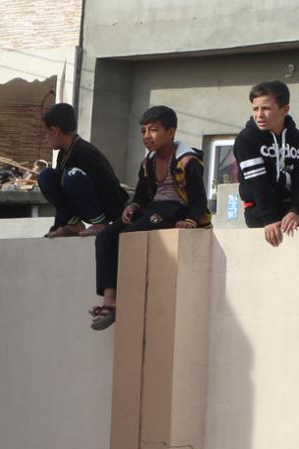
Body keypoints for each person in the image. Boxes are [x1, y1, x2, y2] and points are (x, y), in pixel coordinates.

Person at [87, 106, 208, 331]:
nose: (146, 136)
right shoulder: (148, 163)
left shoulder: (187, 161)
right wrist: (133, 205)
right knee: (105, 237)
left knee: (130, 235)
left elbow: (200, 200)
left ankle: (127, 296)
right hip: (153, 209)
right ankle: (109, 300)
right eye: (143, 131)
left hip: (175, 211)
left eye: (153, 130)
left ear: (170, 132)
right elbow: (142, 195)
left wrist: (191, 220)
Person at [37, 103, 128, 239]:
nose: (46, 139)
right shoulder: (64, 153)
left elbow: (108, 185)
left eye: (47, 133)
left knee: (72, 176)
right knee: (46, 176)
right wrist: (59, 225)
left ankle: (99, 224)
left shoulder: (84, 152)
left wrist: (117, 220)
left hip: (106, 209)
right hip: (82, 207)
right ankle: (73, 224)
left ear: (55, 131)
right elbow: (59, 191)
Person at [237, 80, 299, 247]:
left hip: (291, 209)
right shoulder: (246, 139)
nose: (259, 115)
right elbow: (258, 183)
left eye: (266, 108)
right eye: (255, 109)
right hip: (260, 211)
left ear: (284, 110)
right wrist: (270, 218)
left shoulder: (296, 138)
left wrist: (295, 210)